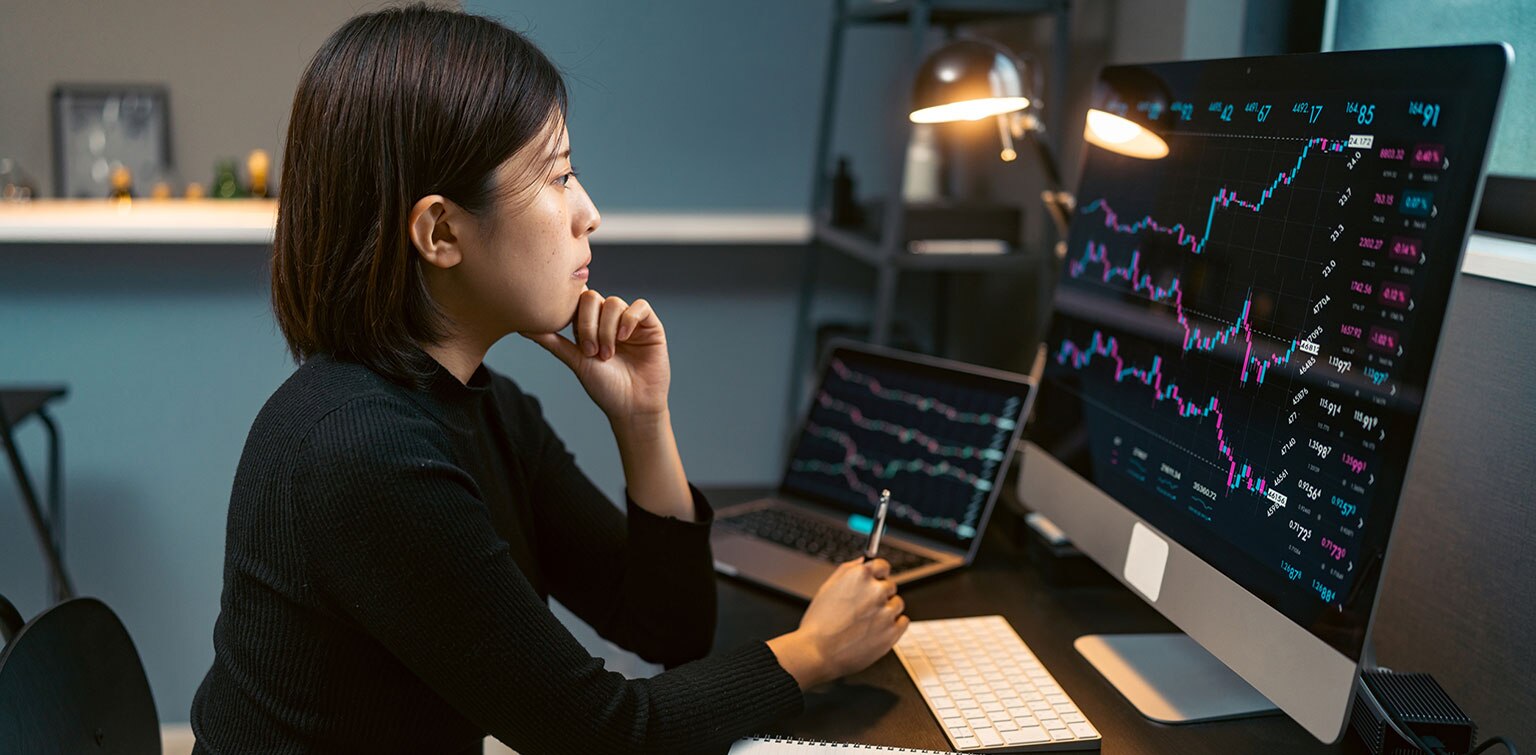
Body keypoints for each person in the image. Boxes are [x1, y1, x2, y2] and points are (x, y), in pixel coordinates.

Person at [189, 5, 908, 754]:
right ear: (440, 232)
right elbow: (598, 734)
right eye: (558, 176)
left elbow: (669, 629)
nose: (589, 212)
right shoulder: (361, 453)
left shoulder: (482, 404)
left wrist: (642, 420)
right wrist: (815, 651)